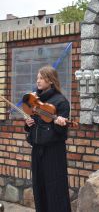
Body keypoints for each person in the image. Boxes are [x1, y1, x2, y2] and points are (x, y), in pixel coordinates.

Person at [24, 65, 71, 212]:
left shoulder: (61, 102)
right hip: (37, 150)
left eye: (41, 78)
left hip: (53, 152)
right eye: (37, 78)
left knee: (55, 189)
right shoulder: (35, 101)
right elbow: (33, 126)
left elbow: (61, 134)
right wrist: (28, 124)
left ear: (50, 80)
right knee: (39, 187)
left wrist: (60, 124)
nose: (38, 81)